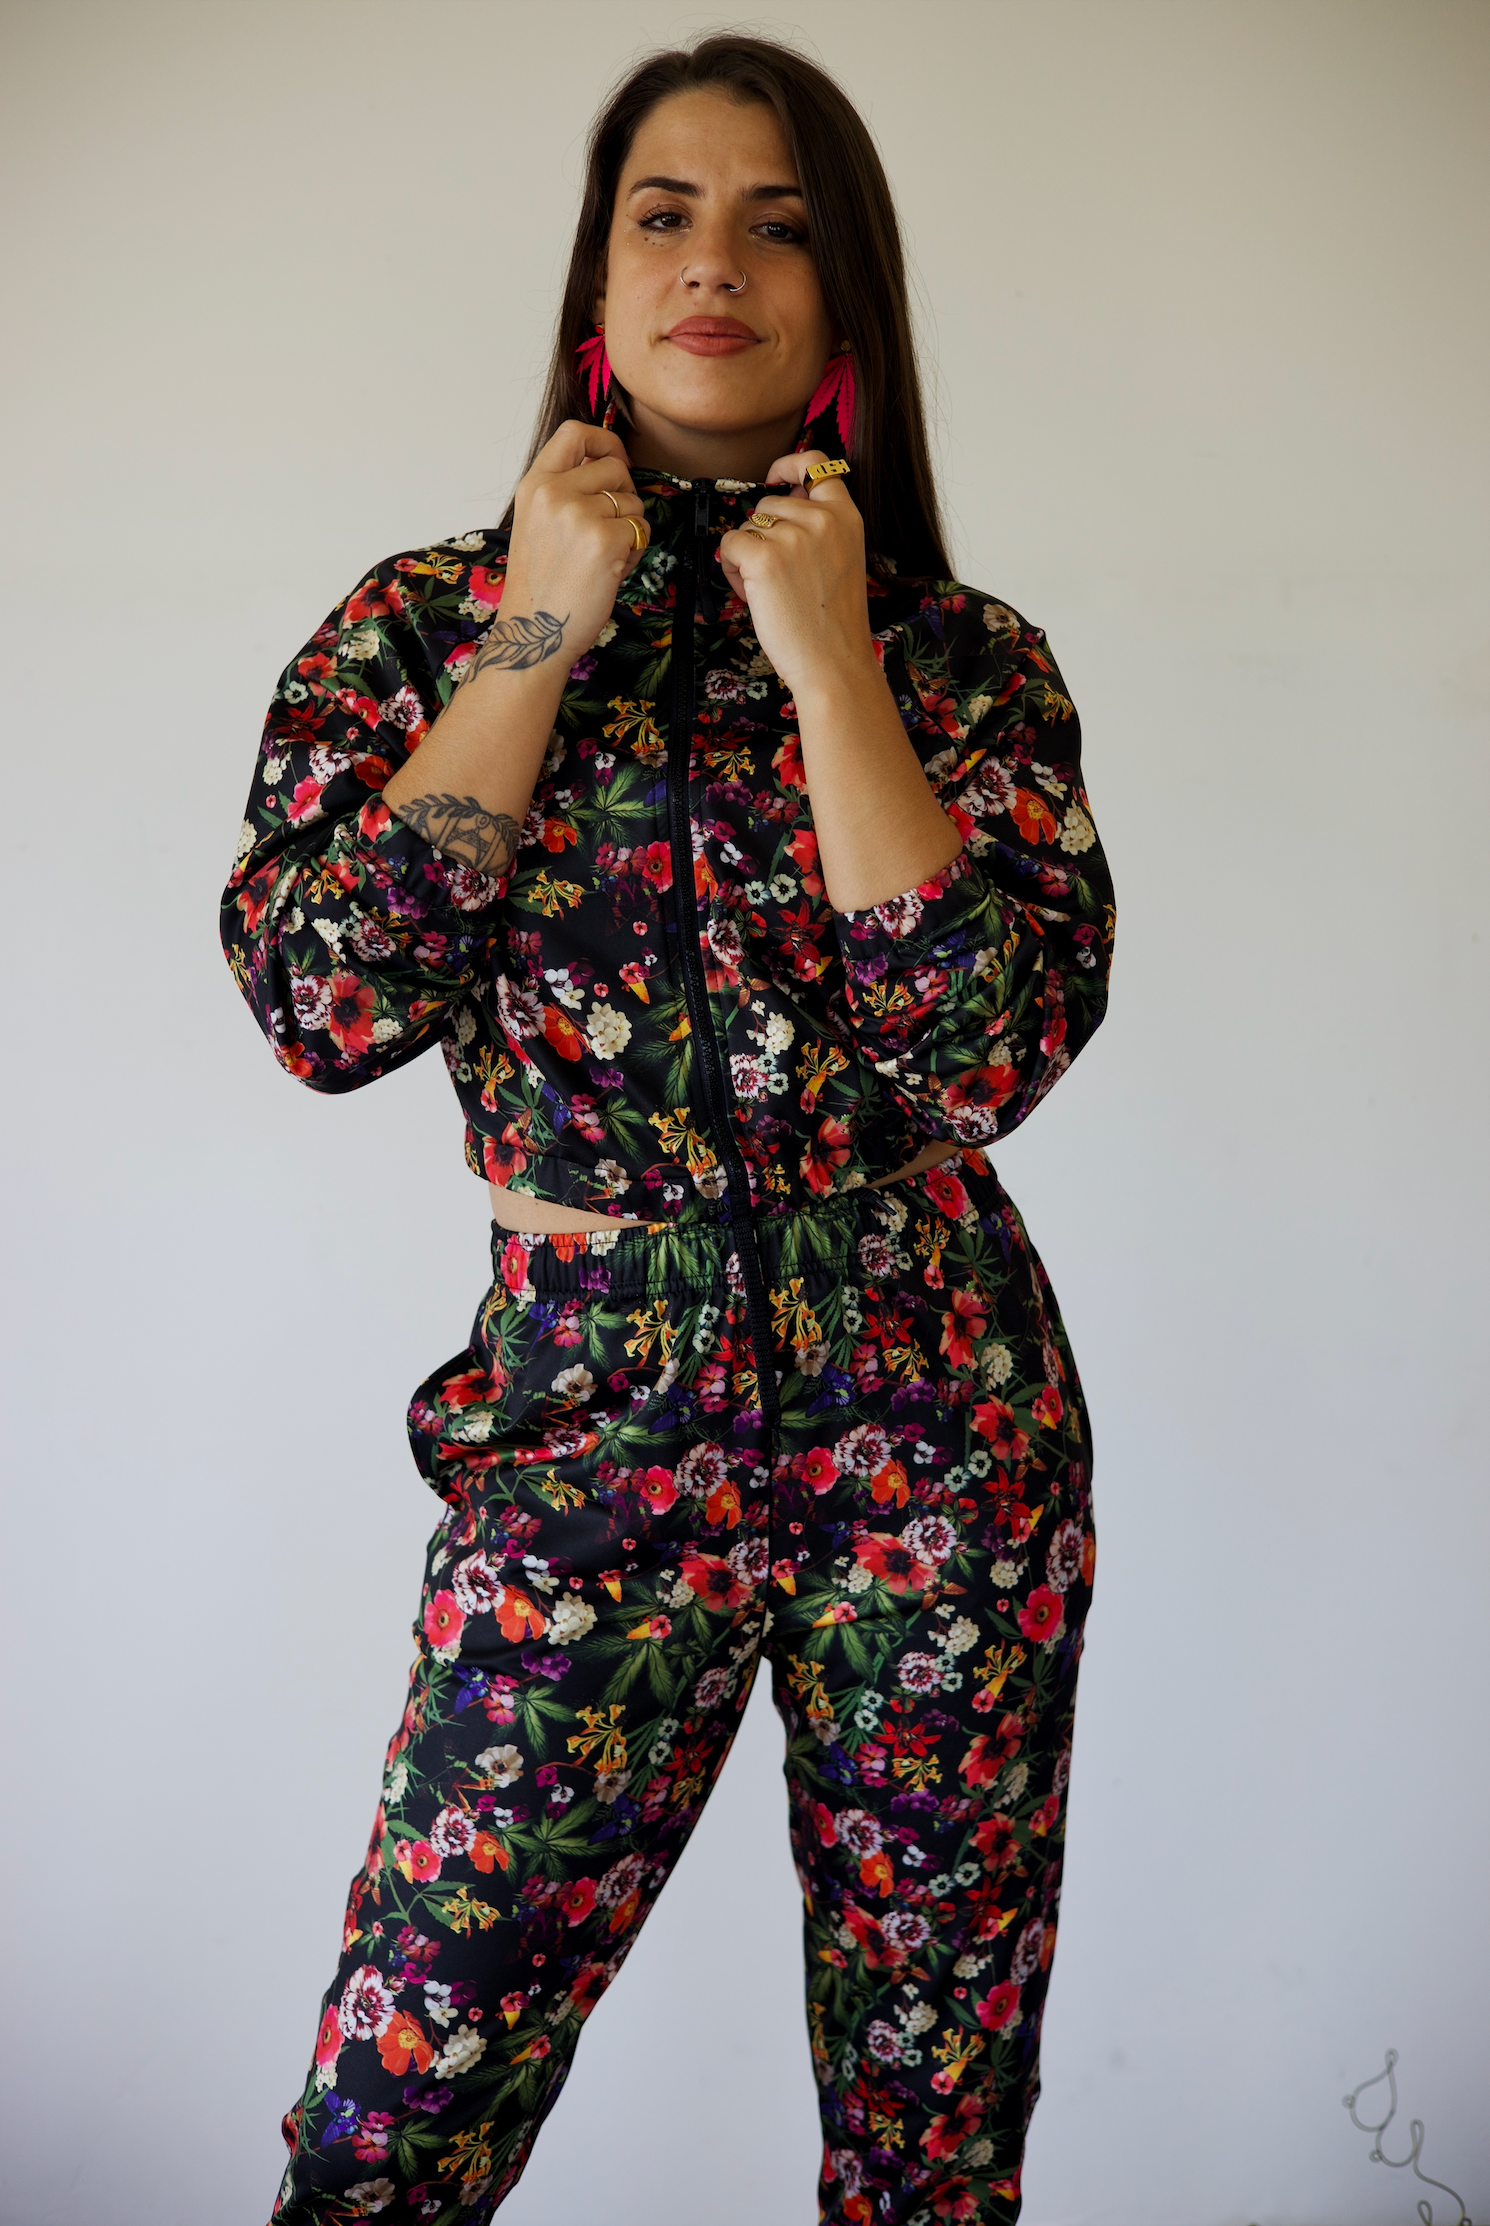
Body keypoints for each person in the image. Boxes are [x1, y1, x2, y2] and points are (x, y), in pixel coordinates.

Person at [222, 33, 1114, 2226]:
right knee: (391, 2129)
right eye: (666, 213)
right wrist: (542, 627)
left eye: (779, 224)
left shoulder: (959, 659)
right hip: (585, 1423)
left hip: (937, 1427)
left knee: (928, 2142)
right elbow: (326, 1007)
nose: (716, 261)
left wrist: (833, 668)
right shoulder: (417, 627)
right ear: (594, 286)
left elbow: (983, 1059)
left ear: (844, 301)